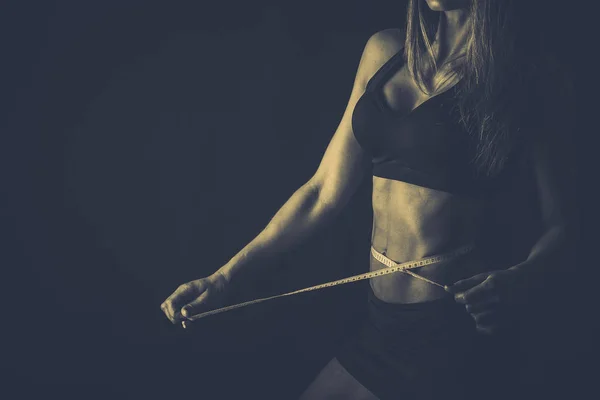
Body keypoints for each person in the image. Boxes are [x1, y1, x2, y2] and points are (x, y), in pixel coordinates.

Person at [160, 0, 575, 398]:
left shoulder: (519, 78)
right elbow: (322, 193)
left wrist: (521, 280)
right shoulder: (384, 52)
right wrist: (223, 279)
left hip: (448, 331)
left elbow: (567, 225)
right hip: (379, 326)